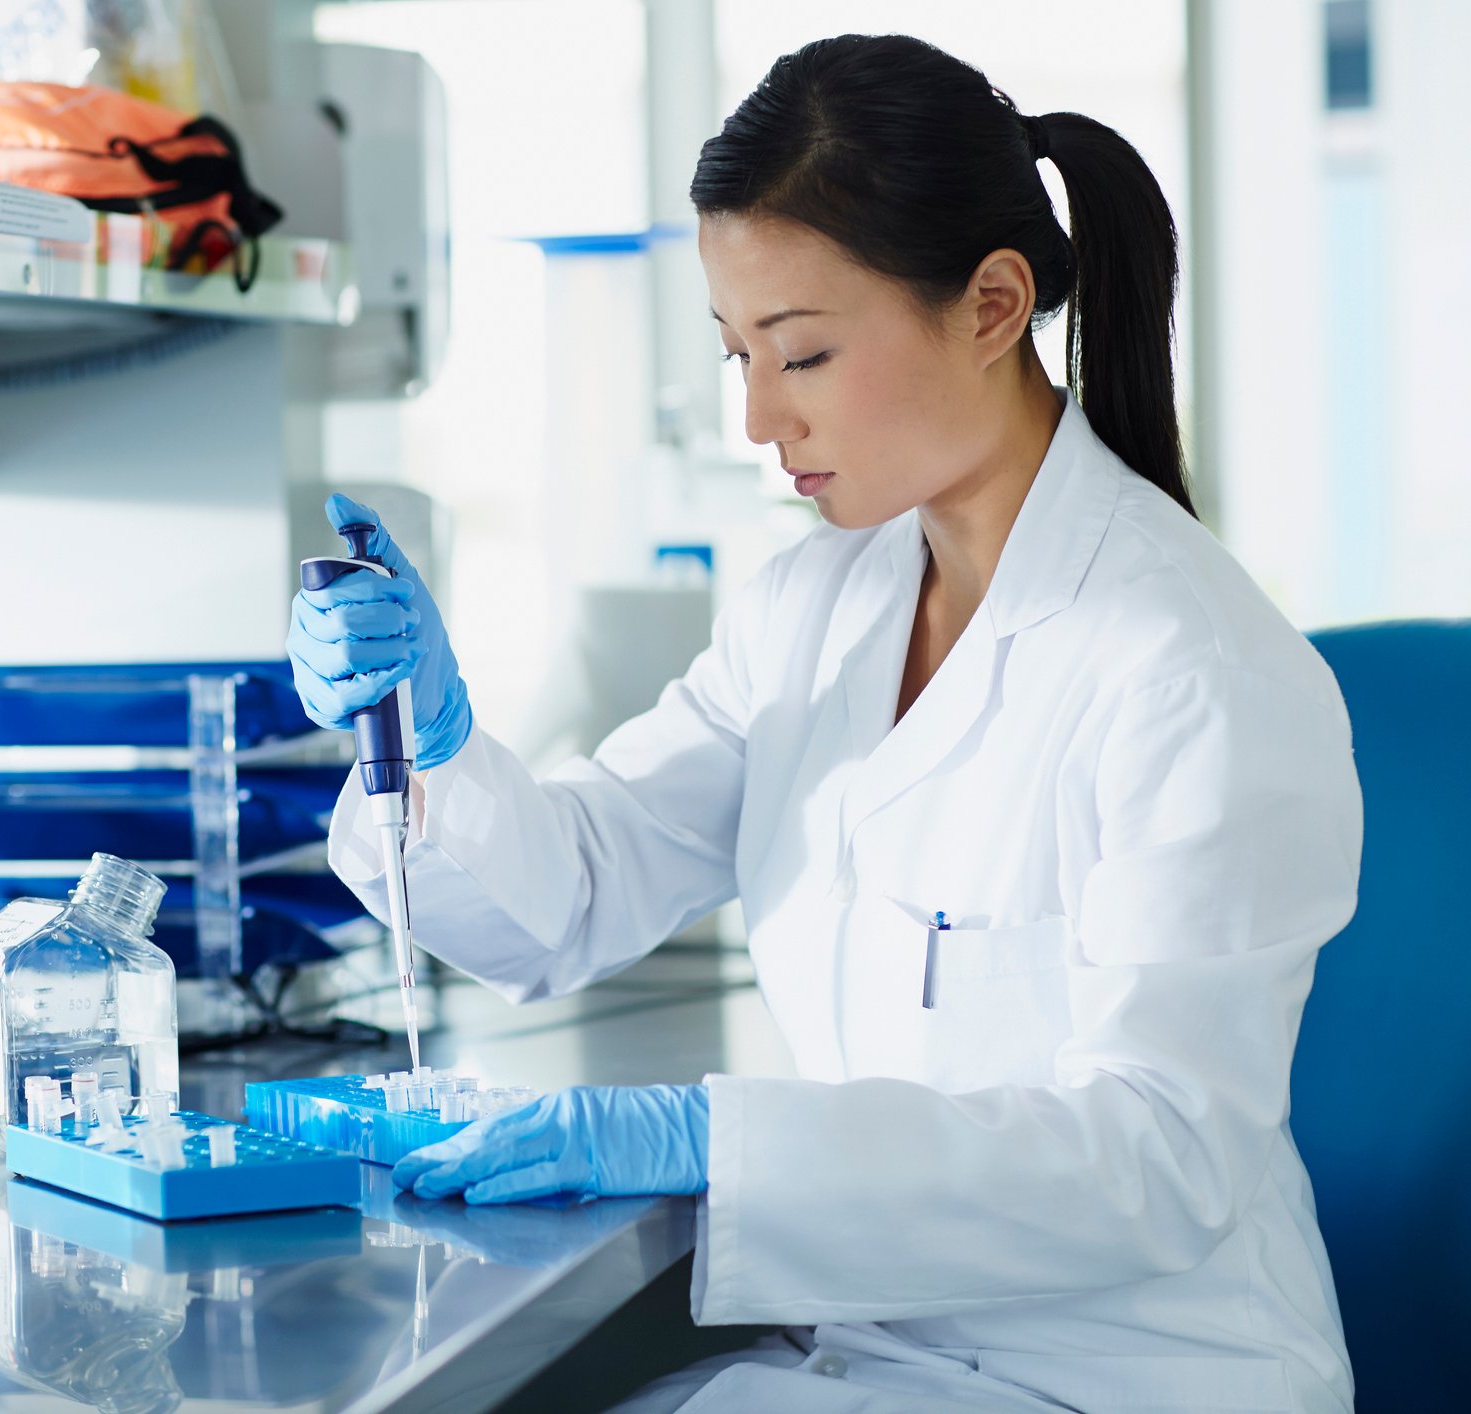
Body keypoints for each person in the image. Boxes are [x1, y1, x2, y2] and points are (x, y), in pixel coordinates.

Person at [285, 32, 1360, 1414]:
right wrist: (433, 749)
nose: (753, 416)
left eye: (798, 353)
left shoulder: (1189, 666)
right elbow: (574, 892)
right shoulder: (814, 607)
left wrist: (703, 1138)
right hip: (882, 1360)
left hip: (1132, 1376)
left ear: (988, 305)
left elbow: (1153, 1158)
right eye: (737, 352)